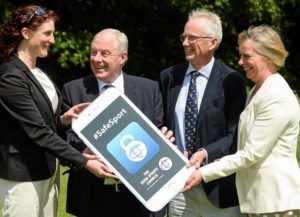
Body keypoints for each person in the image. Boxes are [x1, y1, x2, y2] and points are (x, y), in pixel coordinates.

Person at [0, 5, 112, 217]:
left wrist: (62, 120)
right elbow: (37, 131)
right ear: (26, 34)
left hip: (48, 171)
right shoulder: (10, 77)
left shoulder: (37, 71)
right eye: (47, 34)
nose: (52, 40)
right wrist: (84, 161)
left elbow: (41, 121)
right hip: (23, 178)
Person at [184, 24, 300, 217]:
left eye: (247, 56)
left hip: (275, 203)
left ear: (268, 56)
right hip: (259, 200)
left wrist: (203, 173)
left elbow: (251, 153)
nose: (240, 62)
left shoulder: (276, 95)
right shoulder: (257, 90)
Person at [61, 28, 167, 217]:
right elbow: (65, 138)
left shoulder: (149, 89)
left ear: (123, 57)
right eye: (93, 53)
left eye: (105, 53)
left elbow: (158, 130)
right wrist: (82, 154)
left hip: (140, 197)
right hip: (92, 196)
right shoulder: (73, 90)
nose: (97, 59)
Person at [160, 8, 247, 217]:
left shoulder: (232, 81)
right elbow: (162, 123)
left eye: (192, 38)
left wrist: (205, 153)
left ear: (212, 42)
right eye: (184, 37)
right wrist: (163, 135)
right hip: (178, 189)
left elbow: (234, 136)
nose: (184, 43)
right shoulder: (169, 77)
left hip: (219, 190)